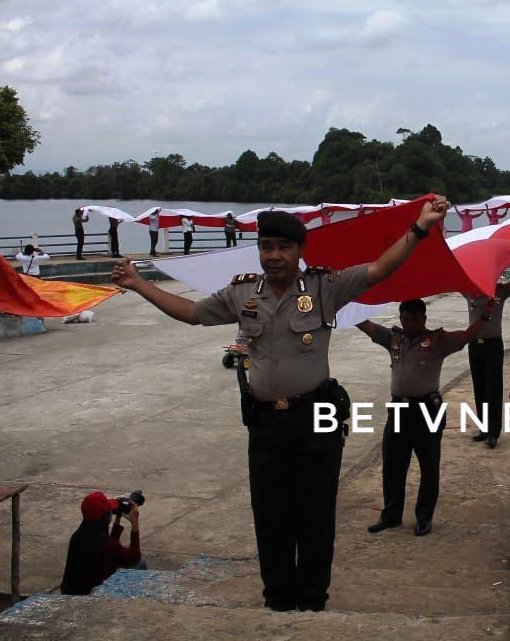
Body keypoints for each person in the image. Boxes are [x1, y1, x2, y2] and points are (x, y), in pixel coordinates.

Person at [110, 198, 448, 613]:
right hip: (266, 423)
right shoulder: (242, 294)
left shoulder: (325, 288)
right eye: (266, 246)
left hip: (317, 418)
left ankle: (312, 599)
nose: (273, 255)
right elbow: (193, 313)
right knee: (270, 514)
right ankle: (278, 599)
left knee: (316, 512)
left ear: (299, 252)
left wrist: (419, 228)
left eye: (283, 247)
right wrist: (138, 283)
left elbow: (380, 268)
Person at [356, 298, 491, 536]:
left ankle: (424, 517)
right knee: (393, 464)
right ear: (400, 319)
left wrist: (485, 316)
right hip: (398, 408)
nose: (410, 324)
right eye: (405, 319)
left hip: (427, 409)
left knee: (428, 465)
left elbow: (465, 337)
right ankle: (391, 515)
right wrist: (345, 305)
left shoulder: (438, 341)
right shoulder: (393, 338)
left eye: (415, 319)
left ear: (424, 319)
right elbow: (367, 326)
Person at [462, 259, 510, 449]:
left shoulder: (500, 291)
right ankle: (484, 428)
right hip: (475, 346)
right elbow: (454, 279)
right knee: (479, 388)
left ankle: (494, 432)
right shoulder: (470, 292)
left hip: (493, 345)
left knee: (493, 388)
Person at [60, 492, 143, 595]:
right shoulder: (107, 545)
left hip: (73, 590)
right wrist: (135, 523)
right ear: (105, 517)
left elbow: (111, 547)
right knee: (140, 564)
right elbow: (134, 556)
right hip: (93, 595)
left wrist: (118, 517)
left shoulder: (77, 537)